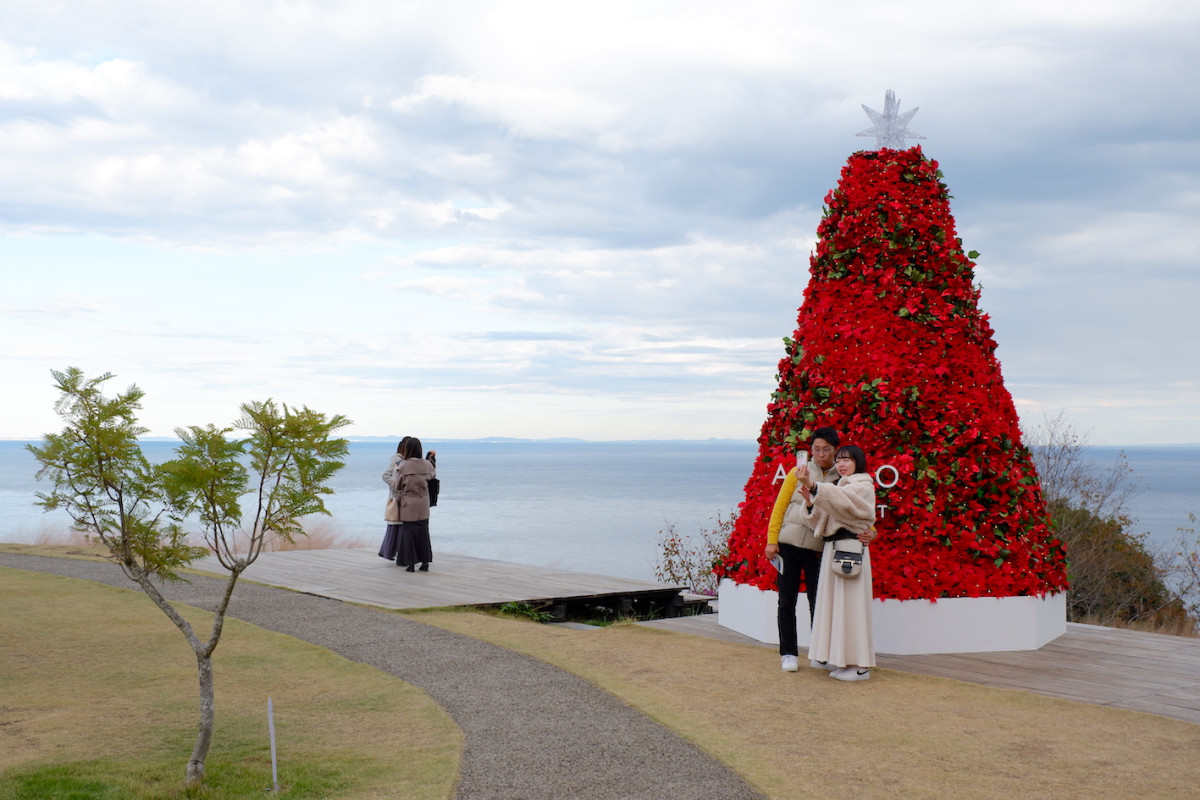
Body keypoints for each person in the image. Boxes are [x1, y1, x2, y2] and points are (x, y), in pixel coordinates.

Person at [798, 444, 877, 681]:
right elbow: (819, 523)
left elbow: (846, 506)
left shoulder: (862, 486)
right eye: (839, 460)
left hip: (850, 549)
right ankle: (839, 659)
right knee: (835, 606)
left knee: (852, 607)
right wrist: (811, 501)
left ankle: (860, 666)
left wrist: (814, 488)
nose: (841, 464)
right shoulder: (839, 487)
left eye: (847, 460)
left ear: (858, 463)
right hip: (835, 548)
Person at [764, 427, 840, 672]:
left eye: (826, 449)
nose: (821, 454)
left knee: (818, 603)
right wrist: (771, 540)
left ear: (835, 450)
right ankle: (788, 653)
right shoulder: (797, 473)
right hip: (787, 546)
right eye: (816, 449)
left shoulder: (841, 477)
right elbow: (779, 507)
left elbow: (854, 508)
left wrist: (871, 530)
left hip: (818, 550)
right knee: (786, 601)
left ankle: (819, 654)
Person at [393, 437, 437, 572]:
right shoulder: (427, 465)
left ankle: (410, 563)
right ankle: (425, 562)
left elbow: (396, 485)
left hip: (408, 502)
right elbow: (433, 477)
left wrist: (396, 470)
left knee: (408, 533)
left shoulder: (403, 466)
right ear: (420, 449)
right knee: (423, 532)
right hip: (423, 501)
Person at [377, 437, 410, 562]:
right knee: (396, 525)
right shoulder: (397, 459)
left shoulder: (404, 460)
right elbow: (385, 475)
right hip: (397, 498)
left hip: (401, 498)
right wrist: (397, 487)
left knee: (397, 526)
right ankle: (392, 552)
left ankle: (392, 552)